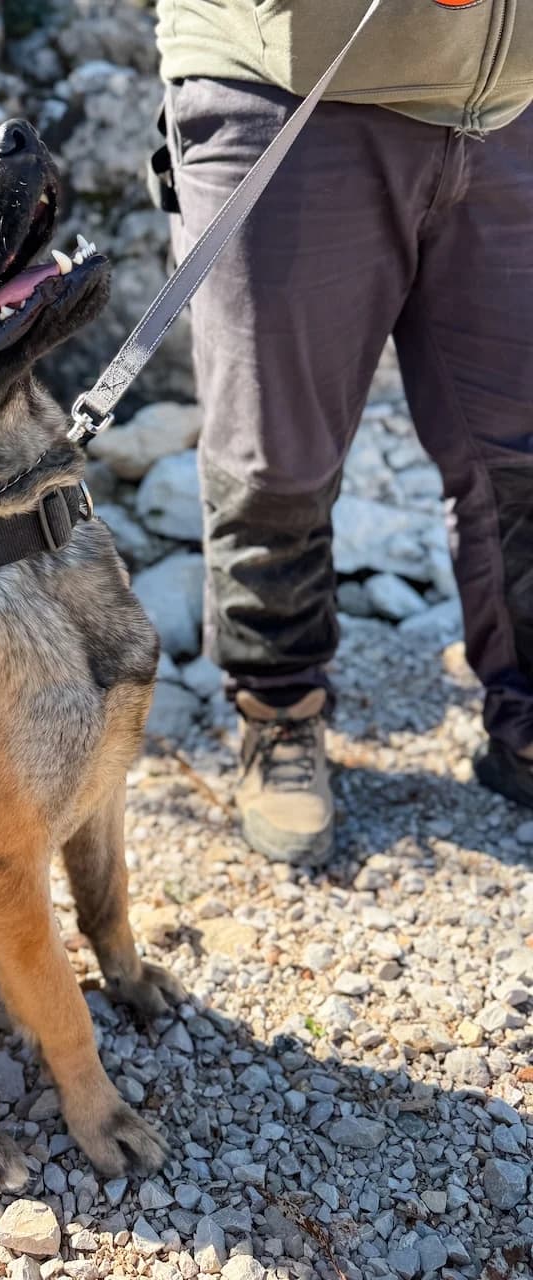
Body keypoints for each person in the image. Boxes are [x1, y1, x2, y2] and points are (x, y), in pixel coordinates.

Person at [153, 0, 533, 866]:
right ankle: (277, 711)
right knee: (274, 454)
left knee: (522, 452)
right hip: (285, 89)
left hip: (513, 103)